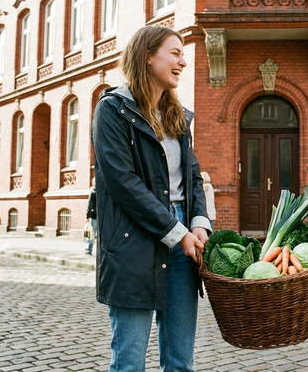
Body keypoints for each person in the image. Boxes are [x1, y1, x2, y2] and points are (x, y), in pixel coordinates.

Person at [91, 25, 211, 372]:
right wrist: (178, 230)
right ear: (147, 56)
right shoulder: (113, 110)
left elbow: (192, 176)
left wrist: (199, 222)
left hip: (183, 243)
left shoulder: (177, 116)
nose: (183, 62)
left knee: (180, 363)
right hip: (133, 243)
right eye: (175, 53)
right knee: (129, 363)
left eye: (182, 54)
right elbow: (123, 184)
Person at [85, 186, 97, 255]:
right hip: (102, 217)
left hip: (94, 216)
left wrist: (87, 216)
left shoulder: (92, 193)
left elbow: (90, 204)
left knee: (92, 234)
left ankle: (89, 250)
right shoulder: (103, 192)